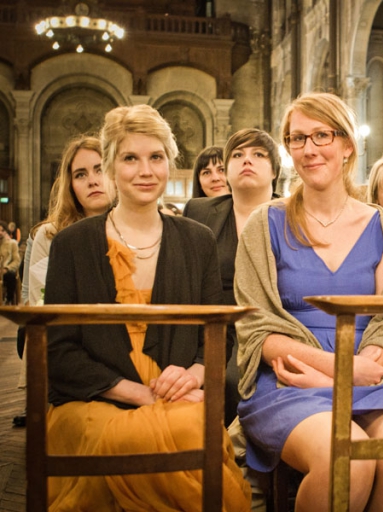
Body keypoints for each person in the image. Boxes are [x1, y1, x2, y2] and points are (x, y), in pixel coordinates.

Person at [235, 92, 383, 512]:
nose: (308, 149)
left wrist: (363, 369)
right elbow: (257, 328)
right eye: (297, 138)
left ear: (348, 146)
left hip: (370, 375)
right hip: (291, 378)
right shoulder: (265, 223)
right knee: (347, 458)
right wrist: (338, 371)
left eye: (321, 135)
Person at [44, 104, 250, 511]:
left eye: (156, 157)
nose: (145, 170)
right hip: (93, 401)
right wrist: (143, 396)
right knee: (157, 433)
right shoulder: (71, 245)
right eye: (130, 158)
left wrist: (194, 373)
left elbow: (219, 334)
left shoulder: (198, 240)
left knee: (195, 425)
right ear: (109, 165)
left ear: (169, 163)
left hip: (180, 395)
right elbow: (59, 351)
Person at [14, 135, 114, 428]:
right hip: (69, 343)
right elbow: (42, 302)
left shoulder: (137, 228)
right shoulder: (49, 235)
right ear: (71, 185)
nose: (93, 180)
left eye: (99, 169)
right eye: (80, 175)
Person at [184, 127, 280, 426]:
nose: (246, 160)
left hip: (270, 326)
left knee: (236, 381)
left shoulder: (292, 215)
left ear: (275, 171)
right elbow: (190, 281)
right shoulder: (200, 211)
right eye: (237, 155)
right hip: (214, 324)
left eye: (258, 154)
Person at [0, 220, 20, 305]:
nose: (0, 233)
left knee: (10, 276)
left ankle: (8, 299)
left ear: (5, 232)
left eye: (2, 230)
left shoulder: (12, 243)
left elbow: (17, 260)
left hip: (6, 270)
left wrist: (6, 268)